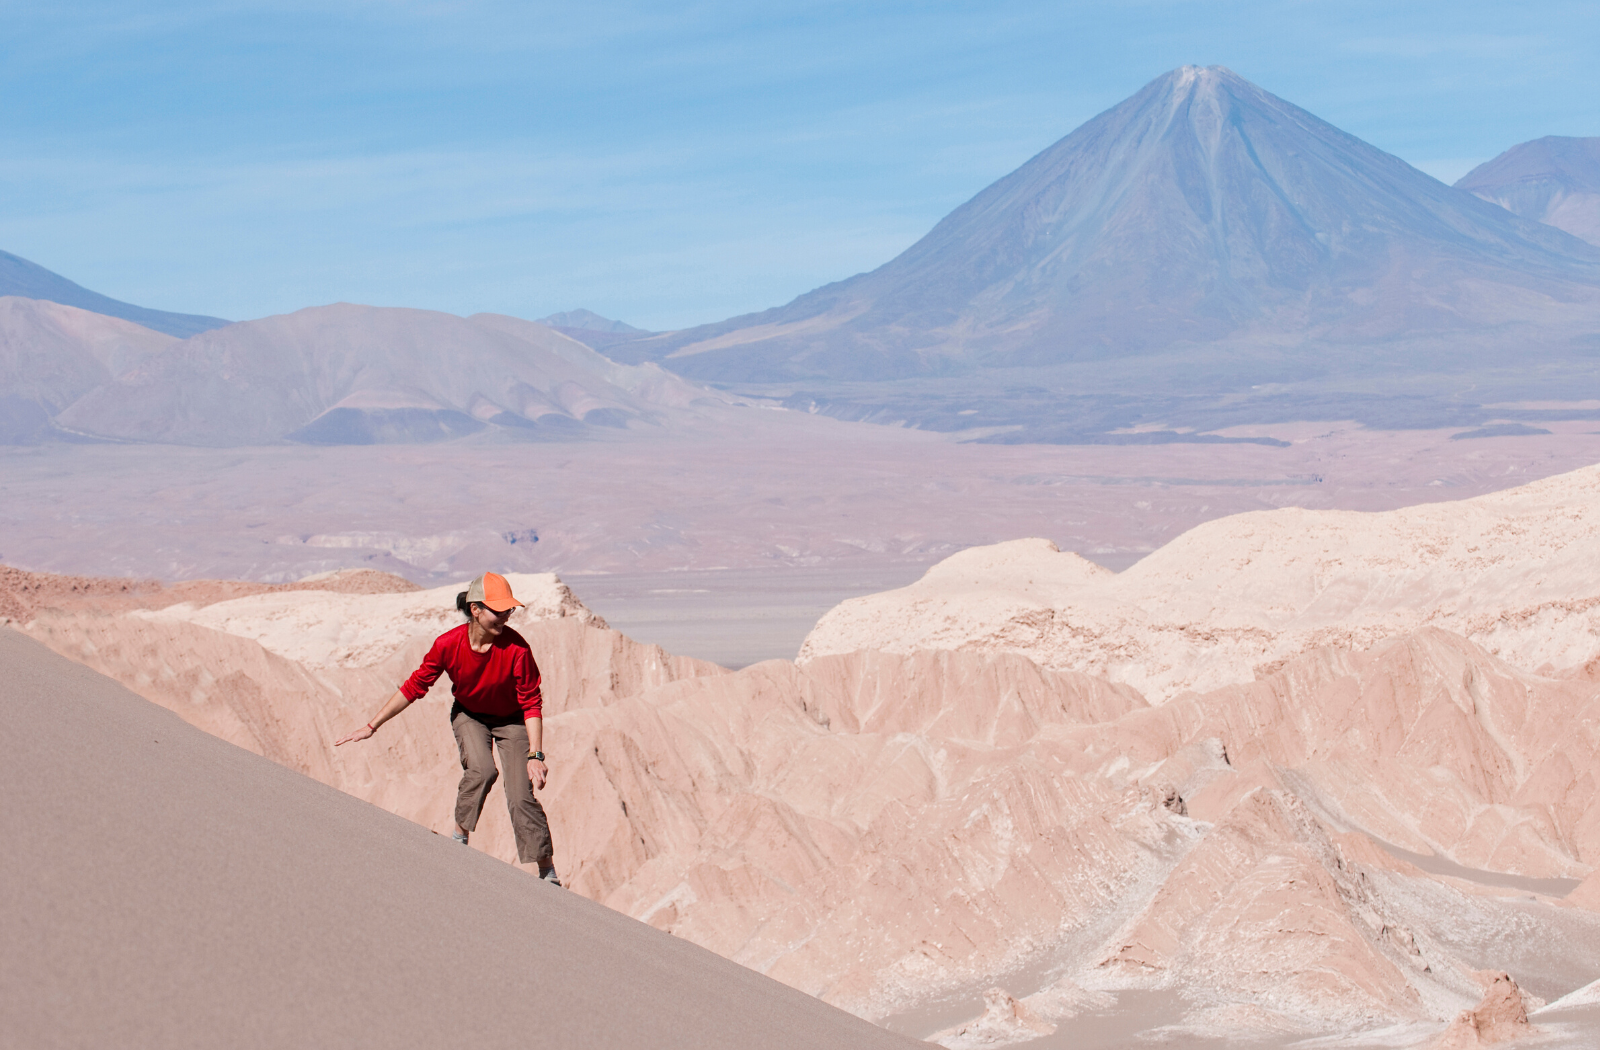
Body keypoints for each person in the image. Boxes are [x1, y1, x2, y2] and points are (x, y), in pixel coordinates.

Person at [335, 571, 559, 885]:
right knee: (482, 771)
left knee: (521, 793)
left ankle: (547, 872)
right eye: (498, 609)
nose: (506, 616)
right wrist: (372, 725)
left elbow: (531, 702)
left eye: (509, 610)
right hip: (470, 715)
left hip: (511, 721)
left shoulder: (518, 650)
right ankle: (459, 839)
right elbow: (414, 687)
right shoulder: (448, 644)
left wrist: (535, 755)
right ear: (476, 609)